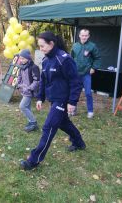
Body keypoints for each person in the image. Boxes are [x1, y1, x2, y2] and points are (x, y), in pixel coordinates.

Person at [20, 31, 86, 171]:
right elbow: (44, 80)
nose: (41, 49)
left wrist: (72, 102)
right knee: (64, 123)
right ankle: (79, 142)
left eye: (43, 46)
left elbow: (76, 82)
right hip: (53, 99)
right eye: (39, 46)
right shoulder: (45, 60)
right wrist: (40, 98)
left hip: (62, 100)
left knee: (48, 127)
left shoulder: (64, 59)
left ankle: (34, 160)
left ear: (52, 44)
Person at [71, 29, 101, 119]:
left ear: (88, 36)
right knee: (75, 92)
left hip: (86, 73)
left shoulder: (92, 46)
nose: (84, 37)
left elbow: (98, 58)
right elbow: (71, 58)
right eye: (82, 35)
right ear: (79, 36)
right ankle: (73, 109)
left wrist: (93, 67)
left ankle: (90, 111)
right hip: (76, 73)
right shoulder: (75, 46)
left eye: (86, 35)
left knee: (88, 93)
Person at [17, 49, 40, 132]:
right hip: (23, 90)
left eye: (23, 58)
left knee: (22, 106)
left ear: (28, 58)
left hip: (29, 91)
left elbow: (37, 80)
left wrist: (30, 88)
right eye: (20, 58)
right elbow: (19, 76)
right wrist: (18, 84)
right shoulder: (22, 66)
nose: (21, 60)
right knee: (27, 107)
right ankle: (31, 122)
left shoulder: (34, 67)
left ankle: (33, 122)